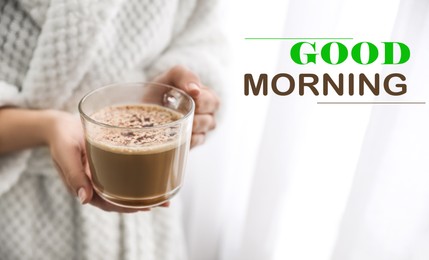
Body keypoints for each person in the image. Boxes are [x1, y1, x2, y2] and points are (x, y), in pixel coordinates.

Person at [0, 0, 224, 259]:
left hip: (148, 222)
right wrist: (46, 127)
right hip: (20, 209)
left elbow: (202, 37)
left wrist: (184, 95)